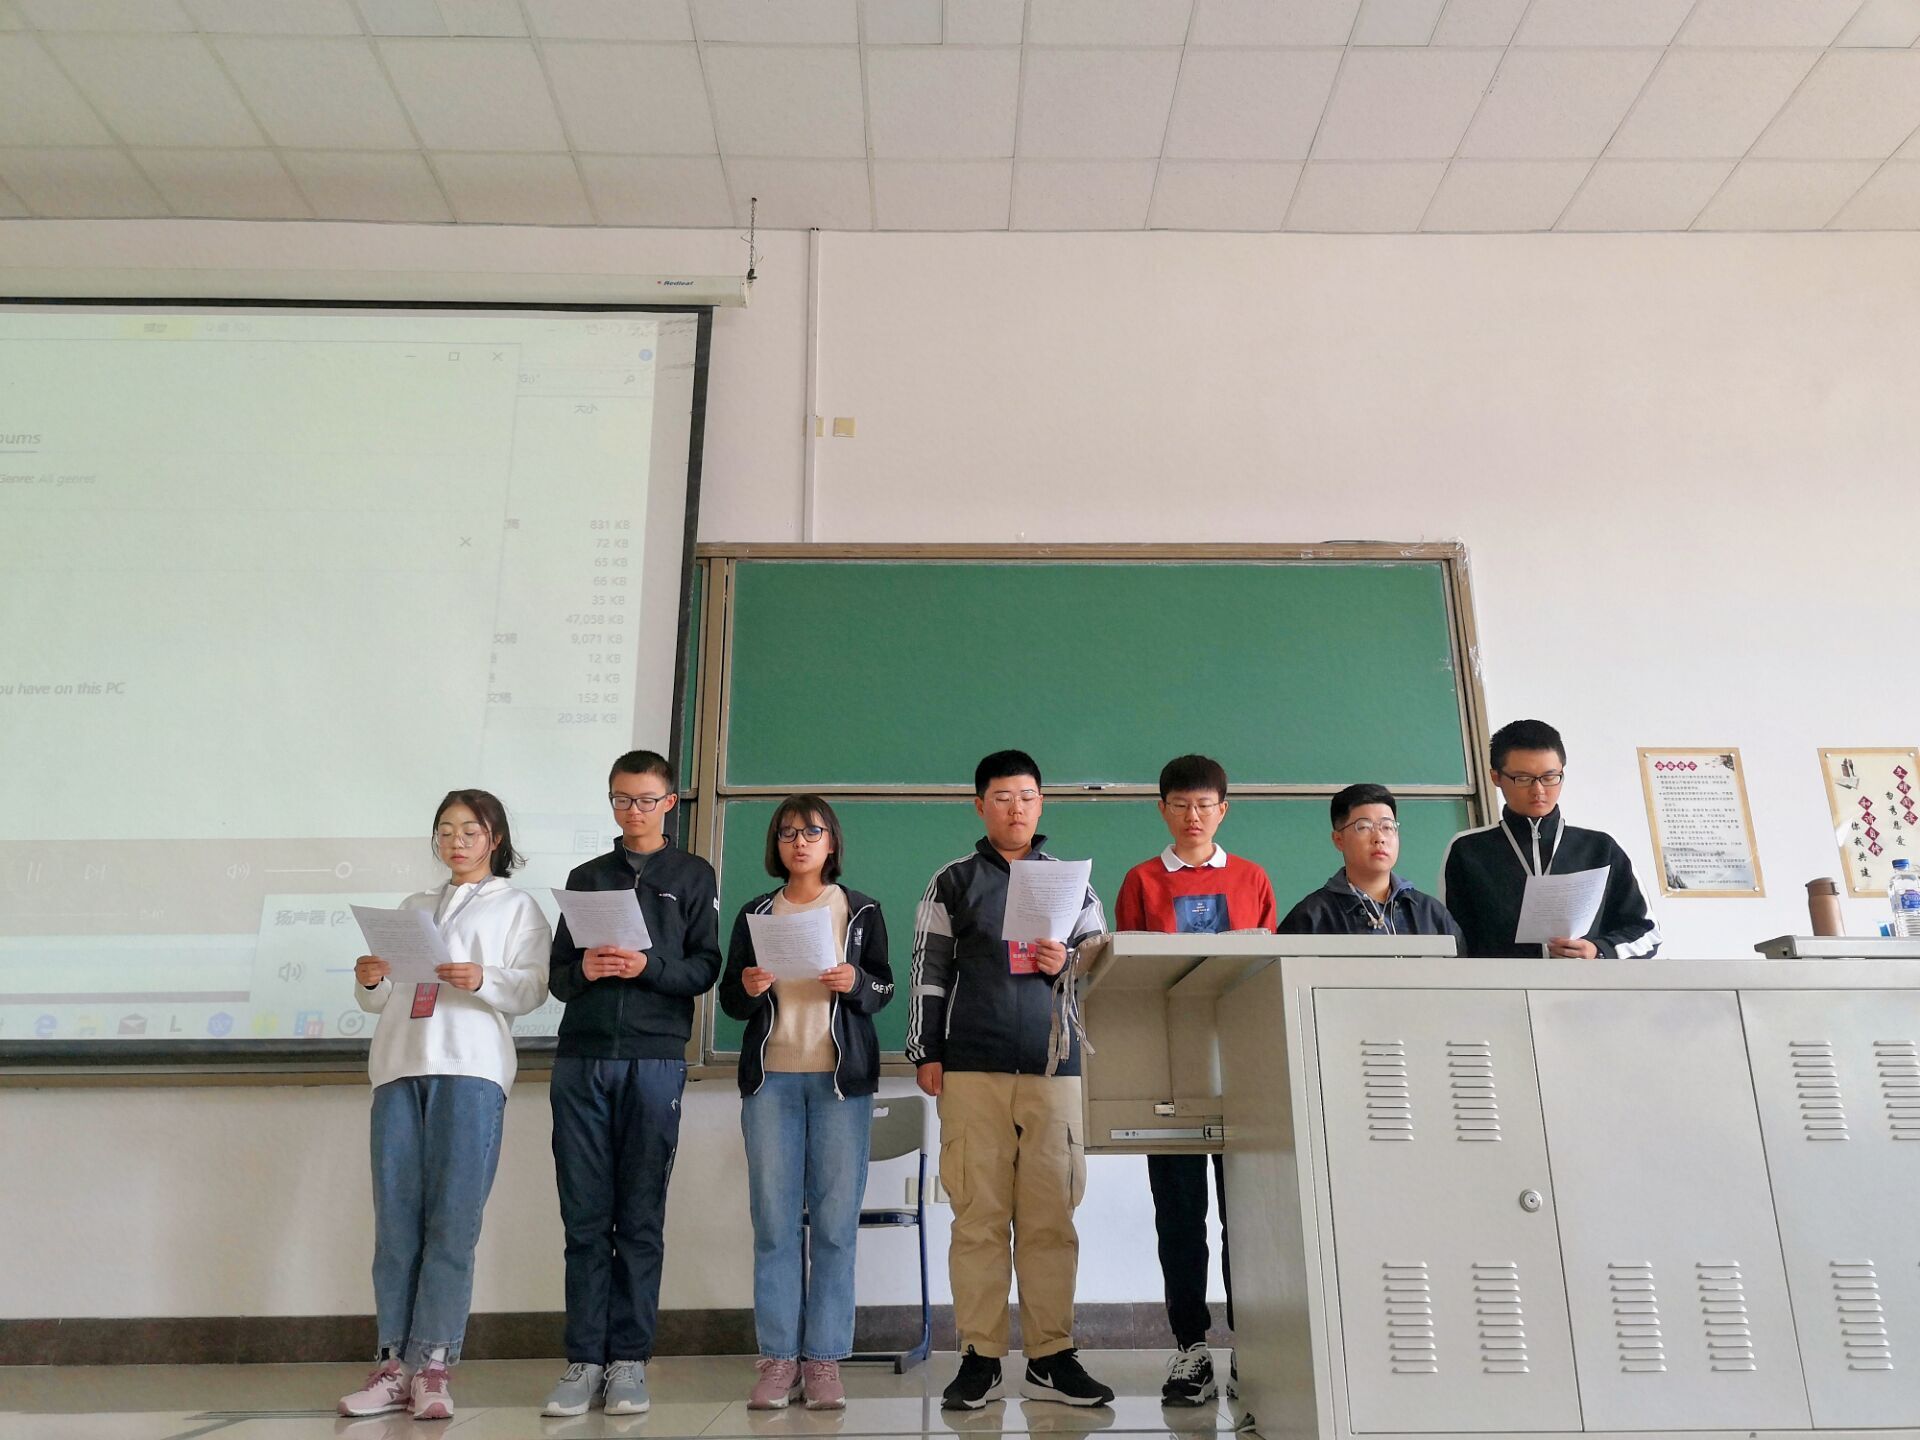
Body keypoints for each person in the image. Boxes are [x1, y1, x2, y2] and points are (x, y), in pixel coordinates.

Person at [907, 749, 1114, 1411]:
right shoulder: (953, 882)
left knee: (1052, 1216)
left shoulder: (1073, 883)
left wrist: (1068, 961)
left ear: (1041, 803)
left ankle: (1051, 1357)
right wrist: (925, 1050)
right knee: (978, 1218)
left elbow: (1103, 970)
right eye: (1001, 797)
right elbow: (929, 971)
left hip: (1055, 1069)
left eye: (1026, 796)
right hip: (973, 1066)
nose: (1015, 808)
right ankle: (981, 1357)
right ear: (980, 806)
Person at [338, 790, 551, 1423]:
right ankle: (391, 1366)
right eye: (446, 830)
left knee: (453, 1224)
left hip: (471, 1068)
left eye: (470, 830)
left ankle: (433, 1365)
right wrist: (371, 978)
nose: (456, 842)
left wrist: (482, 978)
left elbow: (534, 987)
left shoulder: (516, 906)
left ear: (495, 839)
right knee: (396, 1225)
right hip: (399, 1065)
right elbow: (380, 999)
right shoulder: (413, 907)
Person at [541, 750, 722, 1419]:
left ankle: (629, 1361)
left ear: (669, 803)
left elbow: (705, 968)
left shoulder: (692, 876)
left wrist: (647, 966)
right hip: (582, 1059)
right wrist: (585, 969)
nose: (633, 811)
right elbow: (557, 978)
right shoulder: (587, 878)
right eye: (622, 799)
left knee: (640, 1217)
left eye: (646, 800)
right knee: (585, 1218)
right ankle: (583, 1360)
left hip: (654, 1060)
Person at [716, 796, 894, 1411]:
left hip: (840, 1083)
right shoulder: (756, 912)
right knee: (774, 1224)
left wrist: (856, 983)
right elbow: (731, 1000)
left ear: (831, 842)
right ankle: (777, 1359)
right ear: (777, 844)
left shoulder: (860, 909)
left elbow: (883, 987)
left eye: (812, 832)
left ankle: (823, 1359)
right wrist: (747, 987)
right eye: (789, 833)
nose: (800, 842)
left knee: (836, 1226)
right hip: (772, 1081)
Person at [1114, 754, 1275, 1406]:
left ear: (1223, 809)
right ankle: (1192, 1348)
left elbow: (1267, 973)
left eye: (1205, 805)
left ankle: (1254, 1347)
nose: (1193, 816)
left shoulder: (1251, 878)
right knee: (1180, 1217)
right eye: (1180, 805)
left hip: (1243, 1072)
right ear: (1162, 810)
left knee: (1250, 1217)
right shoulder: (1142, 881)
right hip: (1169, 1072)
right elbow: (1125, 979)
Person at [1440, 719, 1660, 959]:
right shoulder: (1468, 850)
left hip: (1584, 982)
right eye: (1523, 778)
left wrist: (1599, 950)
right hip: (1501, 982)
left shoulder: (1600, 848)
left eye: (1549, 777)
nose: (1539, 790)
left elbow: (1648, 933)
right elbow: (1450, 940)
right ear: (1496, 777)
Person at [1280, 782, 1463, 941]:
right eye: (1364, 827)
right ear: (1339, 840)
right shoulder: (1311, 917)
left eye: (1387, 827)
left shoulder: (1430, 913)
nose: (1379, 838)